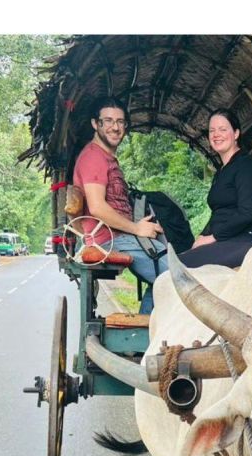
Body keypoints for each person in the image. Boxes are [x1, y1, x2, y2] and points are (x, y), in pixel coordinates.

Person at [72, 96, 168, 314]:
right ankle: (146, 338)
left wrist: (138, 225)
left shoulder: (107, 157)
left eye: (120, 122)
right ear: (95, 124)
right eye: (108, 121)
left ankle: (144, 330)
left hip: (121, 237)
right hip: (109, 241)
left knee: (176, 272)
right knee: (177, 280)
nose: (115, 127)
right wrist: (136, 228)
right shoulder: (93, 157)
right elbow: (96, 207)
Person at [177, 108, 252, 269]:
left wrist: (212, 237)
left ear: (236, 133)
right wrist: (202, 236)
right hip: (225, 239)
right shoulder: (222, 171)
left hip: (243, 239)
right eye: (212, 130)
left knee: (180, 266)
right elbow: (218, 213)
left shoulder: (246, 166)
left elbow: (246, 213)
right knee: (177, 260)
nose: (216, 134)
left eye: (223, 129)